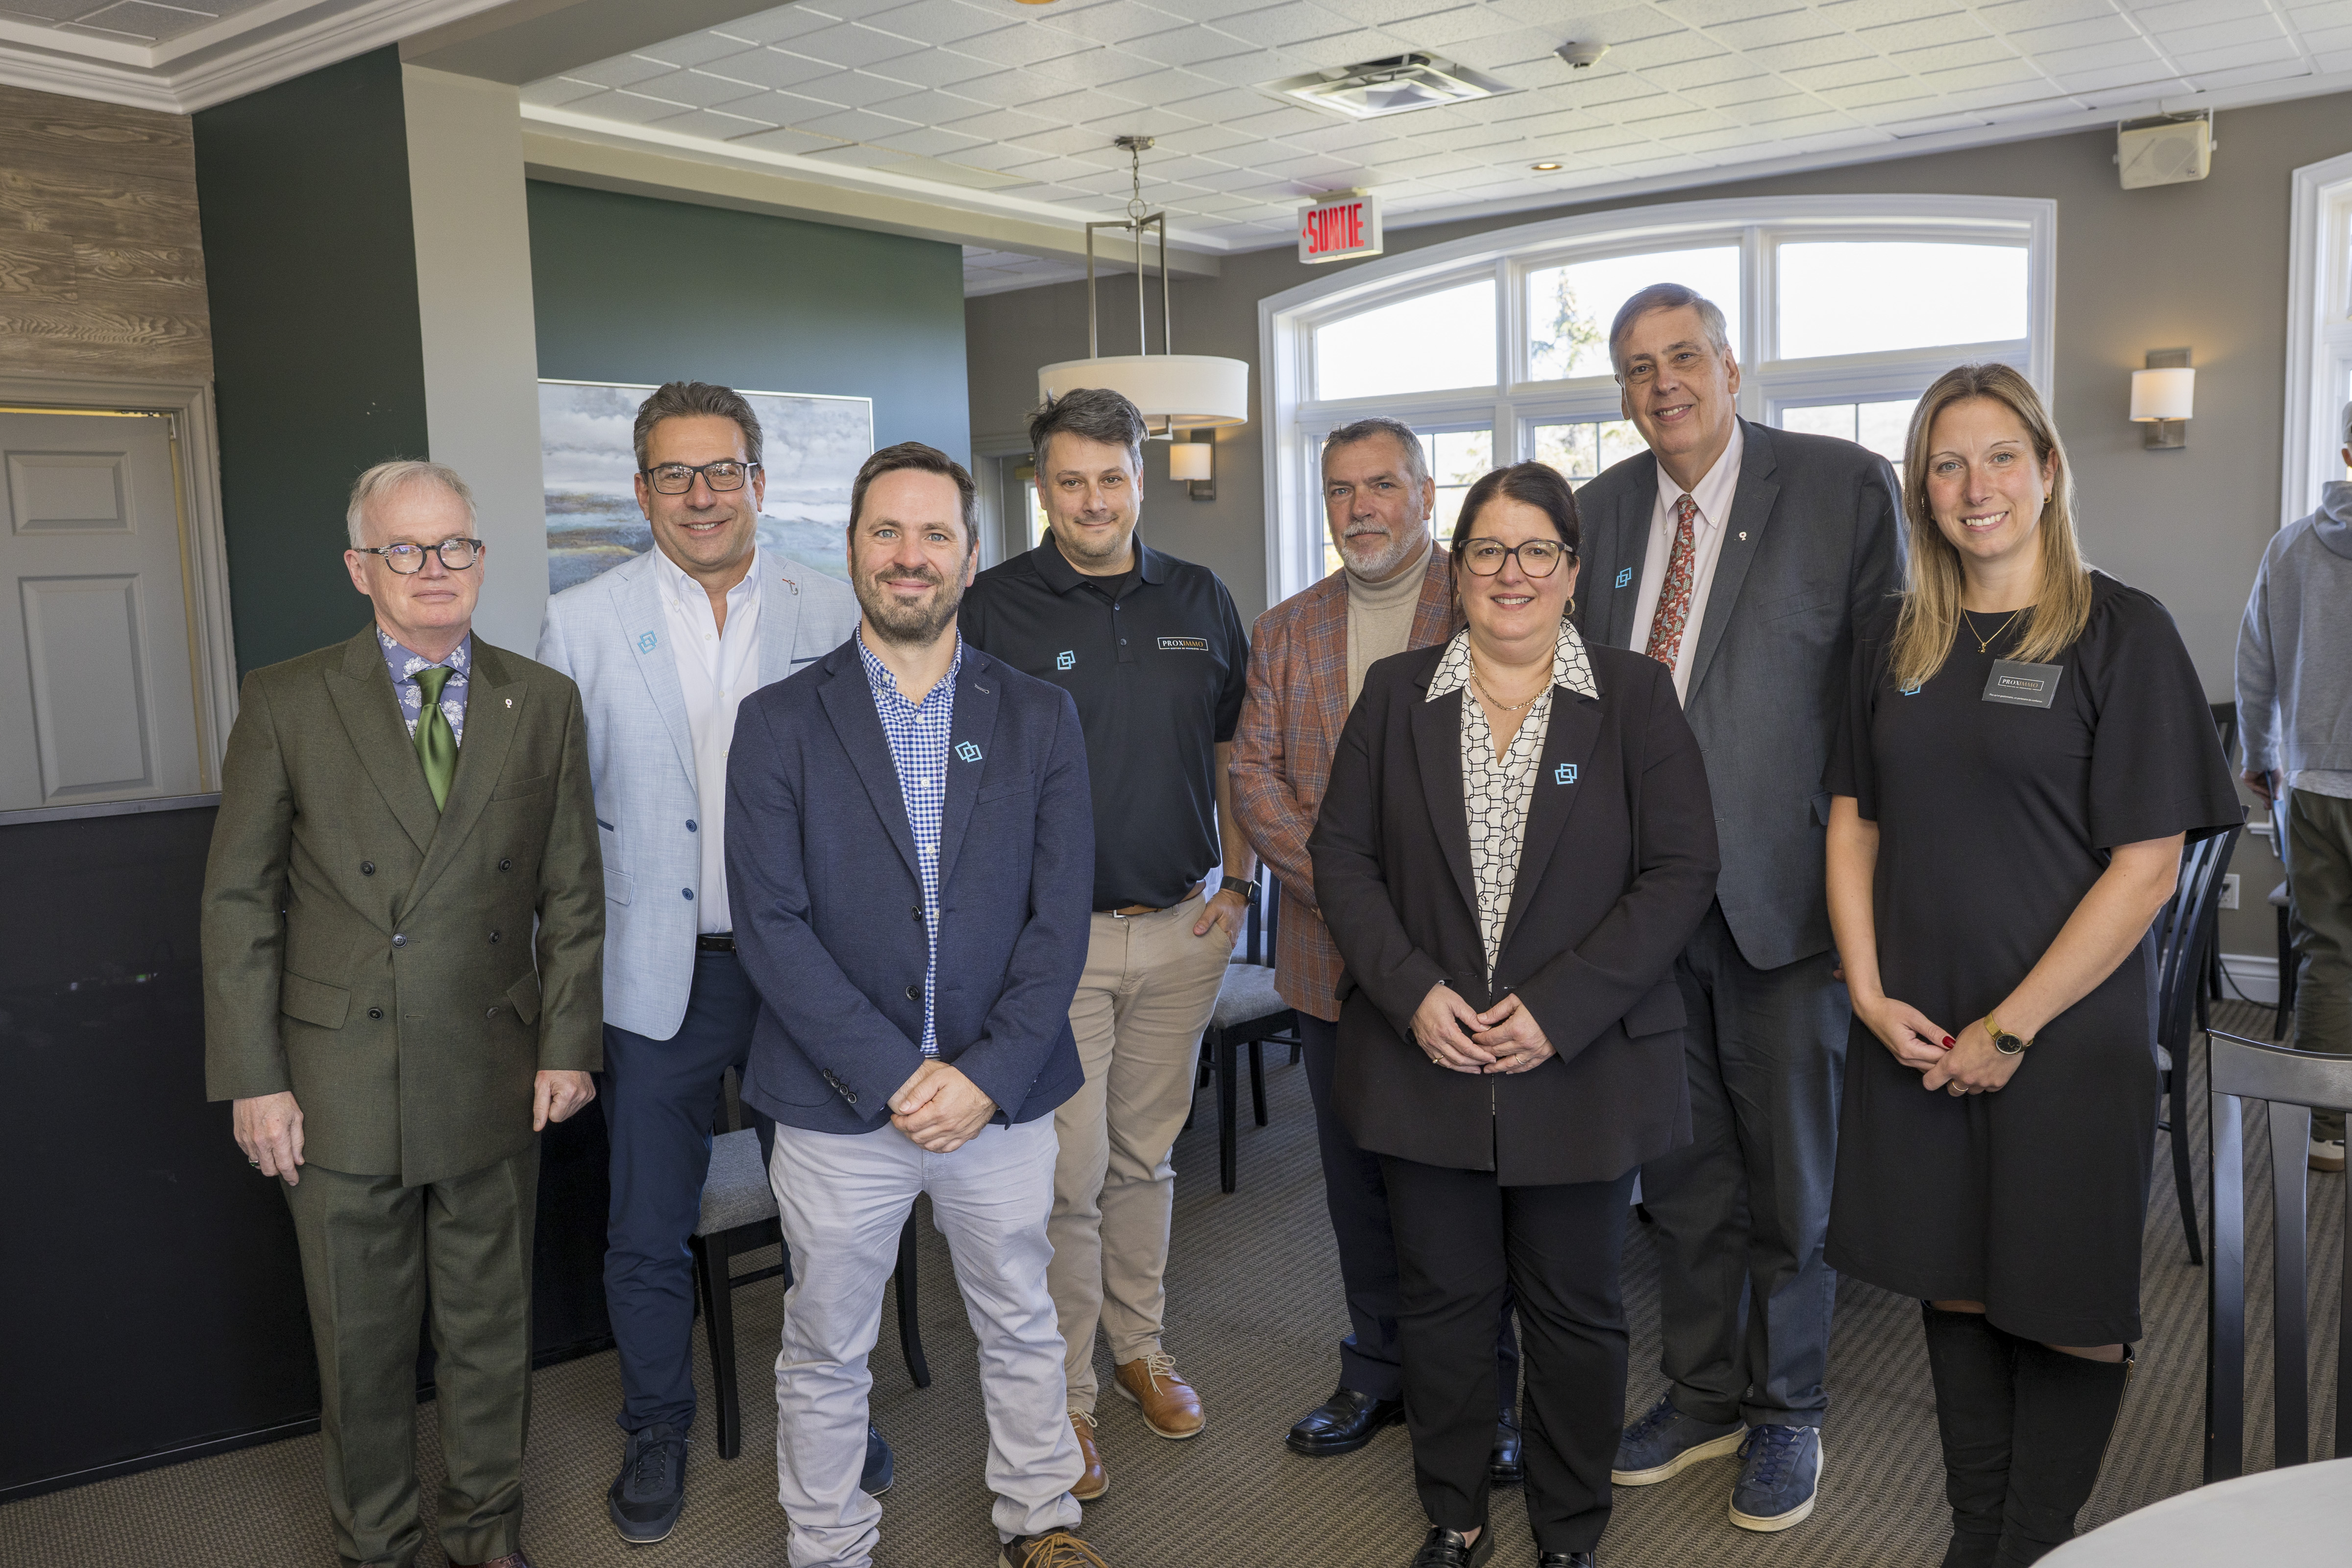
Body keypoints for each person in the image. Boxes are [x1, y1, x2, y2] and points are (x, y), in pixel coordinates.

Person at [1824, 364, 2239, 1566]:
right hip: (1918, 1022)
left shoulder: (2123, 631)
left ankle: (2033, 1542)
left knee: (2063, 1296)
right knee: (1951, 1276)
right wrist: (1866, 992)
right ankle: (1979, 1534)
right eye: (1947, 464)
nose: (1977, 486)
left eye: (2002, 456)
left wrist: (2011, 1027)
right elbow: (1852, 821)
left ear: (2049, 471)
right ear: (1921, 490)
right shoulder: (1888, 635)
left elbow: (2147, 868)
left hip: (2063, 1029)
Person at [1312, 462, 1720, 1568]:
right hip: (1427, 1059)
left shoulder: (1635, 698)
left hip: (1581, 1066)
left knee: (1576, 1312)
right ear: (1458, 570)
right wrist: (1412, 993)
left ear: (1573, 571)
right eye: (1488, 550)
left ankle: (1569, 1531)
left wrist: (1560, 1009)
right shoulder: (1396, 695)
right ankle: (1453, 1513)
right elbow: (1342, 860)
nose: (1512, 572)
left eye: (1538, 550)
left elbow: (1682, 871)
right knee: (1444, 1306)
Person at [202, 461, 604, 1568]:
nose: (435, 569)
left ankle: (486, 1536)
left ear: (481, 555)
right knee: (363, 1345)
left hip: (494, 1064)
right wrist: (254, 1077)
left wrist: (569, 1043)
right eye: (405, 549)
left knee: (490, 1334)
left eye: (455, 545)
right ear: (359, 567)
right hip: (335, 1079)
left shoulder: (542, 700)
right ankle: (376, 1546)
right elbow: (238, 902)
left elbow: (575, 891)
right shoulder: (286, 699)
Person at [726, 441, 1105, 1568]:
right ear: (851, 550)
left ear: (970, 557)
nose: (909, 555)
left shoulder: (1040, 716)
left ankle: (1041, 1519)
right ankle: (829, 1542)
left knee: (1022, 1321)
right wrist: (900, 1076)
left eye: (935, 533)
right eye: (886, 531)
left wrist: (983, 1076)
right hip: (841, 1106)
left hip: (1002, 1097)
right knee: (826, 1345)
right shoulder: (779, 721)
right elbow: (771, 929)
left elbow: (1058, 921)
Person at [537, 381, 889, 1543]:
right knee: (646, 1224)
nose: (701, 495)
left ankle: (837, 1409)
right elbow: (555, 833)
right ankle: (656, 1424)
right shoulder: (580, 623)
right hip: (656, 979)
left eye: (722, 470)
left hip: (811, 978)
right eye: (675, 474)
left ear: (759, 481)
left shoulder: (833, 609)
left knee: (829, 1217)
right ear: (642, 491)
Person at [1573, 283, 1900, 1530]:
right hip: (1644, 913)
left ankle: (1787, 1407)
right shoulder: (1600, 510)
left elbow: (1880, 701)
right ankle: (1703, 1393)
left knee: (1790, 1185)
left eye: (1684, 357)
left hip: (1787, 902)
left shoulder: (1840, 487)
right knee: (1684, 1179)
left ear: (1731, 365)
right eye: (1638, 366)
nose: (1663, 384)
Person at [958, 387, 1255, 1496]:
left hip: (1183, 931)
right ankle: (1067, 1395)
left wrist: (1243, 880)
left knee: (1147, 1159)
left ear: (1142, 478)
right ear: (1042, 487)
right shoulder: (992, 607)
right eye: (1071, 480)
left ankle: (1141, 1349)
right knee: (1068, 1177)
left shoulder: (1201, 596)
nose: (1094, 500)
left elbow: (1233, 748)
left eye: (1112, 478)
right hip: (1057, 950)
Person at [1232, 417, 1525, 1477]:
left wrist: (1412, 914)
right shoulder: (1286, 630)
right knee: (1354, 1186)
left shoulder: (1490, 598)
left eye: (1383, 486)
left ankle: (1488, 1393)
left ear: (1427, 494)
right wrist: (1354, 899)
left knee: (1468, 1194)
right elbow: (1254, 777)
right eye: (1341, 490)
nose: (1361, 508)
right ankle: (1379, 1368)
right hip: (1331, 965)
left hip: (1466, 970)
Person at [2236, 398, 2352, 1175]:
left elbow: (2256, 665)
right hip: (2312, 781)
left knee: (2328, 955)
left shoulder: (2291, 547)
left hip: (2313, 787)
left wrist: (2260, 755)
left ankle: (2327, 1130)